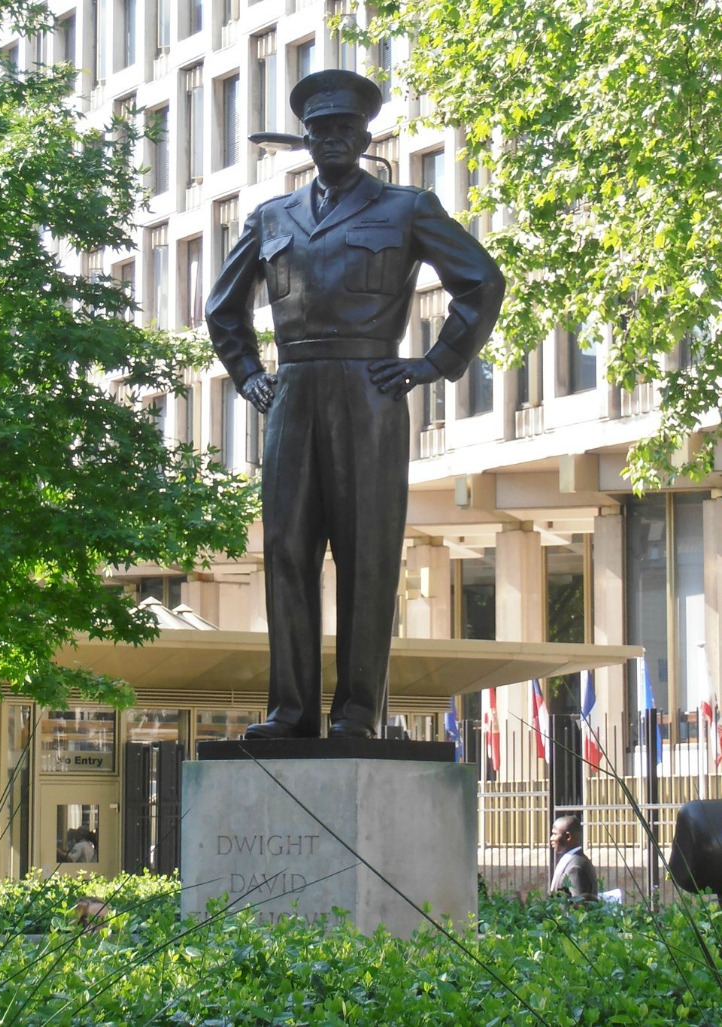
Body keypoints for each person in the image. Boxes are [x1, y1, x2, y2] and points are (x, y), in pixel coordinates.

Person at [206, 69, 505, 740]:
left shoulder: (407, 207)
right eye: (322, 131)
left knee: (367, 552)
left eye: (346, 130)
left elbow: (482, 281)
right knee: (286, 549)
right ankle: (291, 710)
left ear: (364, 138)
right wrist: (250, 372)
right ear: (307, 140)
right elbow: (223, 309)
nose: (333, 140)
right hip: (294, 393)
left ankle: (358, 710)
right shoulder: (270, 218)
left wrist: (436, 361)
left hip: (369, 391)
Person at [549, 815, 598, 901]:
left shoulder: (575, 867)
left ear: (568, 837)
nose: (551, 838)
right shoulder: (571, 860)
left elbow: (580, 906)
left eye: (554, 834)